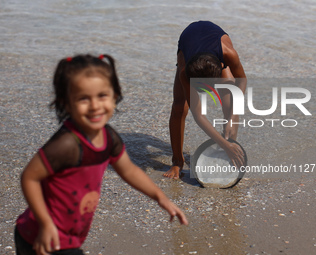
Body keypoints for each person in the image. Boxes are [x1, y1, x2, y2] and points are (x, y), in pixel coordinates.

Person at [15, 54, 188, 255]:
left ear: (115, 95)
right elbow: (29, 178)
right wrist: (45, 224)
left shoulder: (108, 137)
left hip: (70, 235)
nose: (95, 106)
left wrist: (161, 198)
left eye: (102, 95)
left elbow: (129, 170)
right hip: (41, 236)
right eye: (83, 99)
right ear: (66, 102)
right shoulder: (67, 143)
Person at [163, 21, 247, 179]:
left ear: (222, 67)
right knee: (180, 108)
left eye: (209, 87)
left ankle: (228, 154)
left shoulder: (228, 54)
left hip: (215, 50)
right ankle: (177, 162)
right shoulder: (184, 71)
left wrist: (233, 117)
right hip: (189, 43)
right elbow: (198, 115)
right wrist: (223, 143)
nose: (206, 93)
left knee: (230, 105)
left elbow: (242, 81)